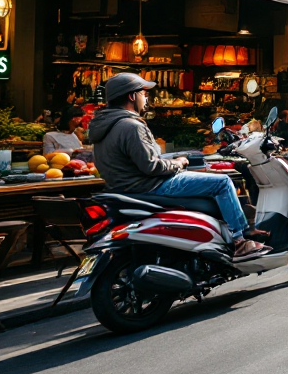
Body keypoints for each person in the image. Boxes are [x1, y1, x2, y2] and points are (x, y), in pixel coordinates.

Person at [89, 73, 268, 258]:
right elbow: (151, 166)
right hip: (151, 185)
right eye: (143, 93)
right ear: (131, 96)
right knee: (222, 183)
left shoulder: (103, 127)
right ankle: (239, 239)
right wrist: (177, 163)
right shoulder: (130, 126)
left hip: (126, 187)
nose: (145, 98)